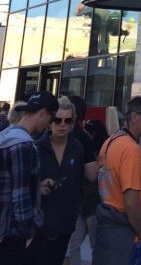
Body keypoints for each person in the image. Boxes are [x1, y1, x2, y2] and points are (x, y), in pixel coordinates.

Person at [93, 95, 141, 265]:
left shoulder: (110, 141)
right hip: (124, 230)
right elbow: (131, 201)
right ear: (134, 117)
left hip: (109, 224)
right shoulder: (130, 149)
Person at [0, 90, 58, 265]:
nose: (50, 125)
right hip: (11, 236)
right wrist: (28, 233)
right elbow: (20, 194)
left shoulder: (5, 137)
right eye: (52, 118)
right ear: (43, 113)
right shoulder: (23, 144)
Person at [34, 96, 87, 265]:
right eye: (57, 119)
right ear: (50, 121)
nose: (62, 124)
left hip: (65, 225)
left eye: (67, 120)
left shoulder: (77, 148)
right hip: (38, 227)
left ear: (73, 122)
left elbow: (79, 182)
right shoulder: (36, 147)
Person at [67, 119, 109, 265]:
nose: (85, 134)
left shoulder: (100, 153)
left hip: (93, 204)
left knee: (89, 245)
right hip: (85, 204)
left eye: (88, 131)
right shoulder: (86, 149)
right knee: (78, 244)